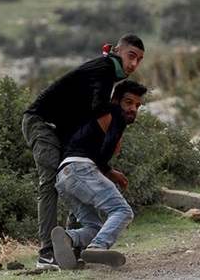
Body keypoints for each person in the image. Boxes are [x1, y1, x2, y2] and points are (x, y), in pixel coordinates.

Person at [21, 33, 145, 269]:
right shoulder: (106, 67)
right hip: (42, 123)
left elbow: (92, 113)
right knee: (49, 183)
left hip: (63, 133)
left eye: (139, 59)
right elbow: (99, 108)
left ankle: (72, 247)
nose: (134, 64)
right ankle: (46, 255)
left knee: (70, 181)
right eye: (131, 56)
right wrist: (113, 135)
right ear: (117, 51)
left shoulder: (108, 74)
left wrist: (104, 162)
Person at [51, 80, 149, 270]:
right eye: (128, 102)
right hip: (82, 169)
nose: (133, 109)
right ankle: (98, 246)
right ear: (115, 100)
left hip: (63, 176)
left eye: (137, 105)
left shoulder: (94, 119)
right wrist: (107, 169)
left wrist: (108, 170)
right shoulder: (116, 114)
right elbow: (109, 145)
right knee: (122, 211)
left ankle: (69, 237)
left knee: (94, 227)